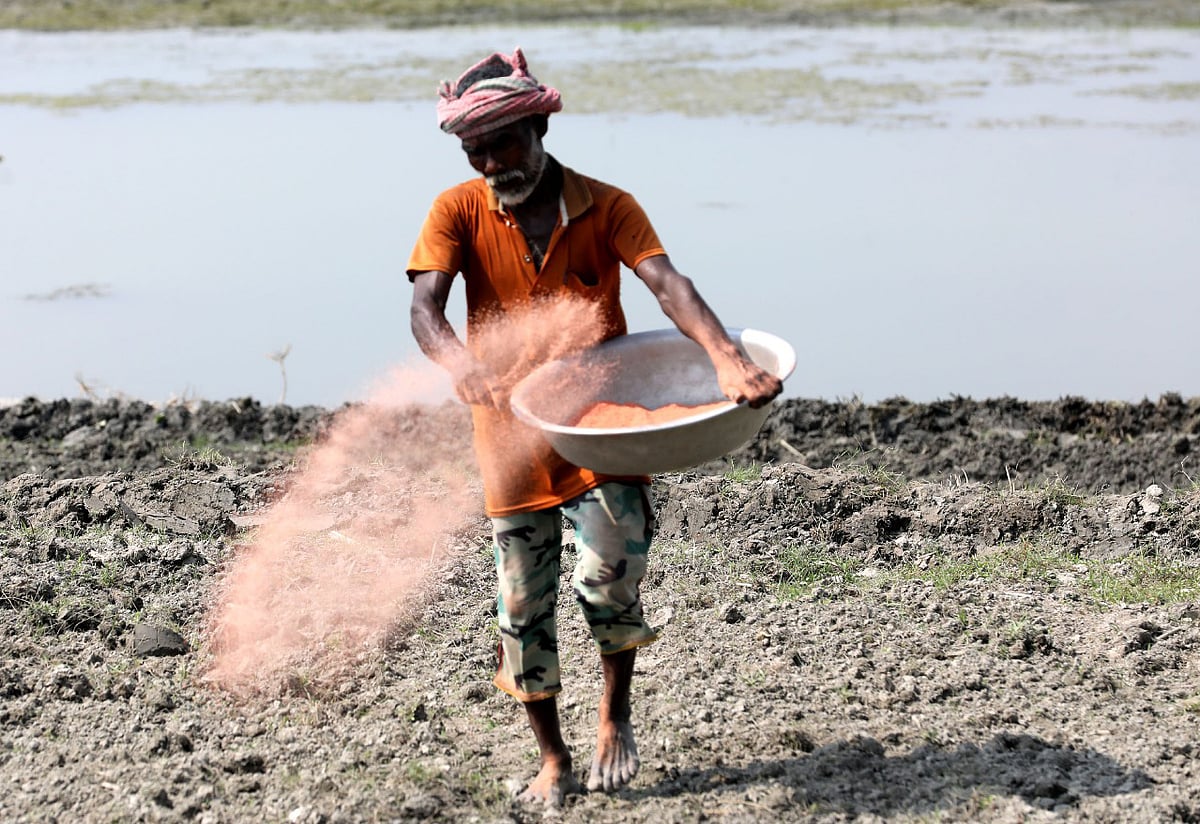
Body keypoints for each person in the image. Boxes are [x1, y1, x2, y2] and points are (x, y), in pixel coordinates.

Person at [406, 48, 783, 807]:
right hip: (511, 441)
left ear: (542, 124)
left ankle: (615, 715)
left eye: (504, 143)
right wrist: (458, 364)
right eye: (475, 150)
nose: (490, 163)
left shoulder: (607, 206)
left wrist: (726, 359)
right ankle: (552, 758)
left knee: (605, 580)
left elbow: (668, 284)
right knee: (521, 610)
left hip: (604, 430)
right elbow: (424, 309)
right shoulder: (458, 210)